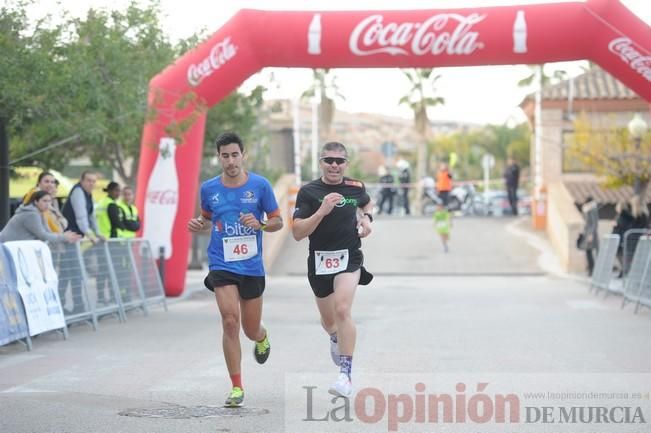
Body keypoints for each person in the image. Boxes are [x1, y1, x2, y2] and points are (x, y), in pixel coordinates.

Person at [187, 132, 283, 408]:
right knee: (230, 321)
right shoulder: (209, 189)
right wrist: (198, 225)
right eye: (225, 155)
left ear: (243, 155)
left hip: (251, 266)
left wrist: (261, 224)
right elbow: (206, 220)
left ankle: (261, 336)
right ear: (218, 157)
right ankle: (237, 387)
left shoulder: (260, 186)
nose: (230, 161)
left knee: (250, 329)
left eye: (234, 154)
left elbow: (278, 221)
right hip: (222, 262)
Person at [292, 141, 374, 398]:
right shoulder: (308, 192)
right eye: (329, 160)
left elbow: (367, 204)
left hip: (348, 256)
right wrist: (321, 211)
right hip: (319, 260)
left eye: (339, 161)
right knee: (329, 321)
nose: (334, 165)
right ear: (321, 162)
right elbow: (296, 232)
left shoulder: (356, 187)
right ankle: (335, 337)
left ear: (346, 163)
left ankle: (345, 376)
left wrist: (366, 219)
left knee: (342, 309)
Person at [59, 171, 104, 314]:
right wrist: (91, 235)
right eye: (88, 180)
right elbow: (81, 216)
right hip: (69, 238)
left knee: (71, 274)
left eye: (93, 181)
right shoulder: (78, 192)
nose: (91, 183)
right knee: (70, 274)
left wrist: (97, 233)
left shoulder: (88, 194)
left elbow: (91, 216)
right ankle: (71, 306)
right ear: (81, 180)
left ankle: (76, 306)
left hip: (75, 238)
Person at [0, 191, 80, 244]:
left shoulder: (39, 213)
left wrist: (63, 236)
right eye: (44, 201)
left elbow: (47, 232)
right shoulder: (31, 214)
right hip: (5, 247)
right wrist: (63, 237)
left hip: (10, 248)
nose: (48, 204)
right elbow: (43, 235)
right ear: (36, 202)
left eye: (49, 201)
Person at [612, 200, 633, 277]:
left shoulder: (624, 215)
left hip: (621, 238)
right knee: (619, 255)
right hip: (618, 238)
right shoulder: (620, 215)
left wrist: (616, 225)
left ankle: (624, 271)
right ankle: (623, 270)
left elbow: (623, 226)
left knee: (622, 255)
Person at [579, 196, 599, 276]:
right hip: (586, 233)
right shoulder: (587, 210)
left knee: (590, 252)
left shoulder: (593, 210)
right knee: (588, 252)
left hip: (590, 234)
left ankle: (592, 270)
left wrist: (591, 234)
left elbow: (594, 223)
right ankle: (591, 269)